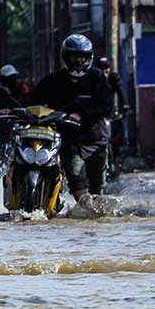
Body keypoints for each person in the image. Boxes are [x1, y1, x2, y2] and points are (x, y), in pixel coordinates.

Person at [25, 34, 113, 200]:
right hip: (69, 140)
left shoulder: (98, 78)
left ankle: (95, 219)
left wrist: (82, 115)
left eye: (82, 57)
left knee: (97, 186)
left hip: (96, 139)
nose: (78, 61)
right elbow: (32, 98)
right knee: (76, 177)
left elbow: (106, 106)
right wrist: (9, 108)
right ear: (66, 57)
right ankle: (84, 209)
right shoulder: (55, 80)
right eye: (74, 57)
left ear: (89, 58)